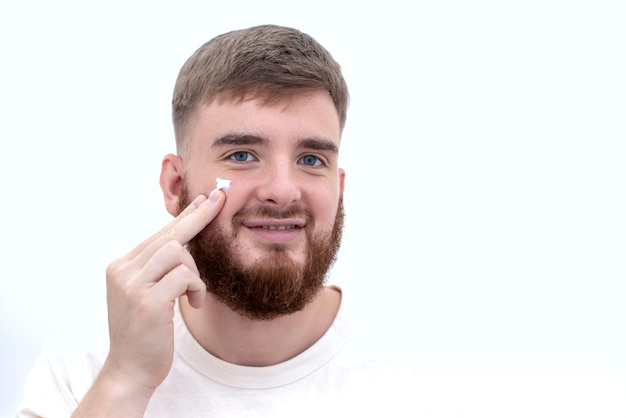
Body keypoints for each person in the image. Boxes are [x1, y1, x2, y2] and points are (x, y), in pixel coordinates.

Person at [16, 24, 422, 417]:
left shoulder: (426, 375)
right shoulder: (84, 369)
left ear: (338, 187)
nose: (282, 190)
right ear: (176, 186)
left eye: (311, 160)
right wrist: (126, 381)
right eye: (242, 155)